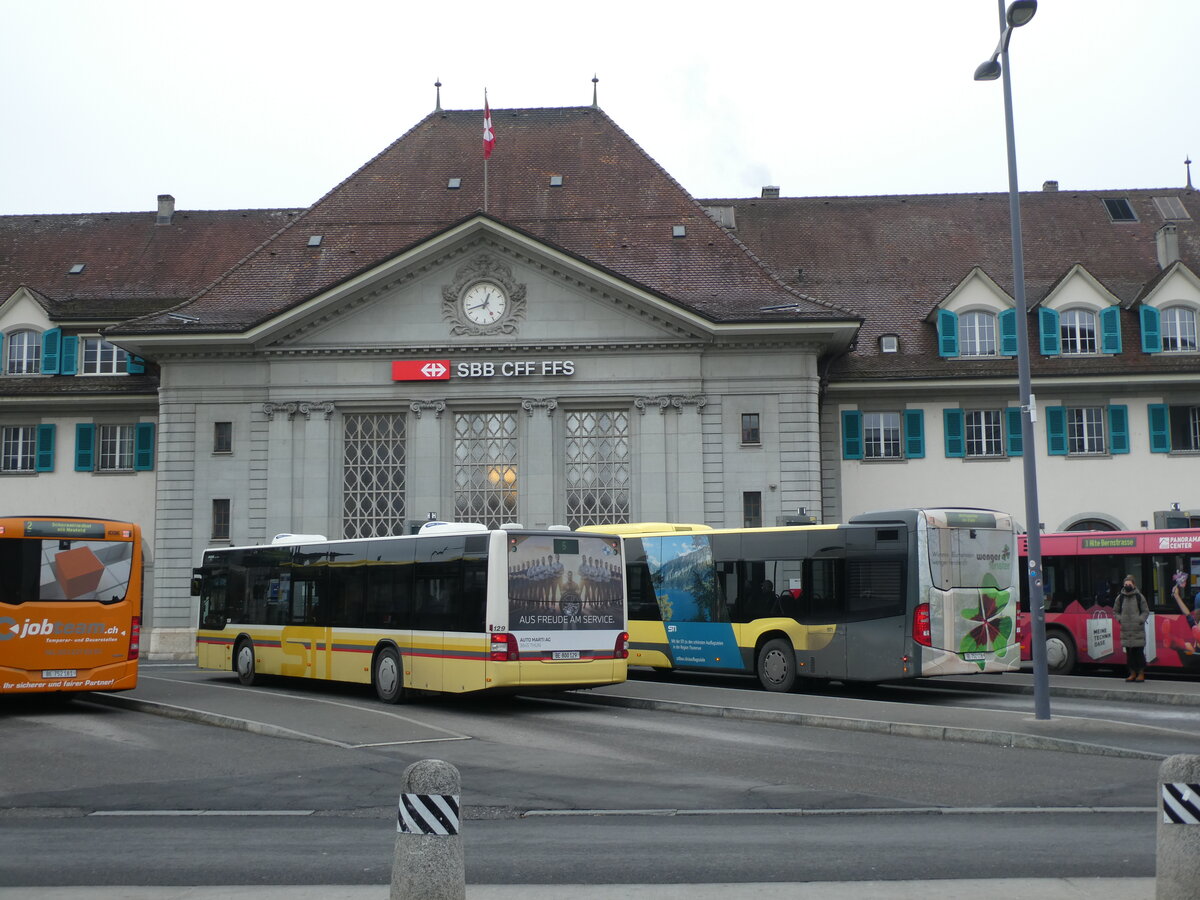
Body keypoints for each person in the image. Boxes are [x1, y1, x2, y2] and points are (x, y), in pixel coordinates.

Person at [1113, 574, 1150, 682]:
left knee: (1138, 653)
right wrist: (1120, 619)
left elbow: (1145, 611)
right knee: (1129, 654)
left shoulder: (1139, 597)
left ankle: (1141, 673)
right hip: (1126, 631)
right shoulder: (1120, 597)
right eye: (1125, 584)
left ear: (1134, 585)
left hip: (1137, 630)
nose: (1127, 586)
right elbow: (1115, 611)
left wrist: (1140, 620)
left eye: (1129, 584)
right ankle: (1132, 673)